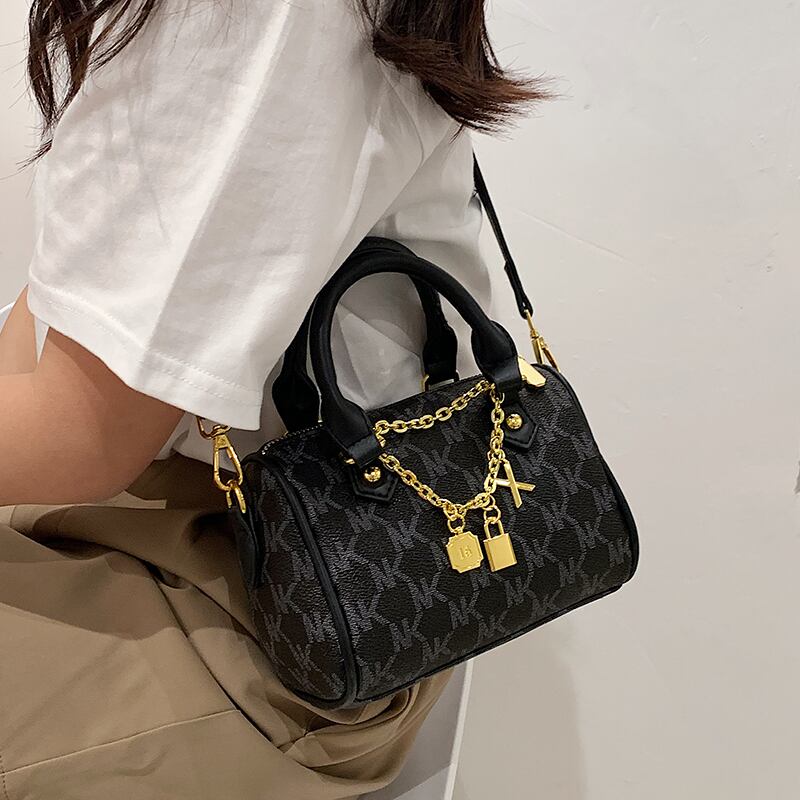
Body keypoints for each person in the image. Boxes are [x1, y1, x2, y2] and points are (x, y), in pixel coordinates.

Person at [0, 1, 546, 797]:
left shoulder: (254, 16)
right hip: (194, 515)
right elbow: (61, 302)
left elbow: (84, 434)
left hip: (307, 609)